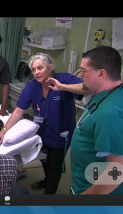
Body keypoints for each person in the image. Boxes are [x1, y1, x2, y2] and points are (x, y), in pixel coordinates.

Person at [0, 52, 85, 194]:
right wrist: (3, 130)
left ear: (50, 67)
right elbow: (18, 110)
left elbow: (85, 87)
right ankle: (46, 180)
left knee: (55, 164)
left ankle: (49, 194)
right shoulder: (33, 86)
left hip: (61, 134)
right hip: (42, 131)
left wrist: (63, 87)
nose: (36, 72)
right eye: (34, 69)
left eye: (40, 68)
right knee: (44, 159)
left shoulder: (63, 79)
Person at [47, 46, 123, 194]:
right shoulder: (111, 90)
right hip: (85, 179)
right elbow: (85, 88)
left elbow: (117, 170)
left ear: (101, 73)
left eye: (83, 71)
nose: (80, 74)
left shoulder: (110, 113)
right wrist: (62, 86)